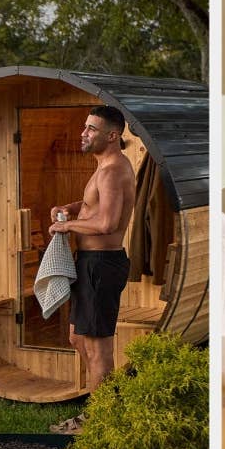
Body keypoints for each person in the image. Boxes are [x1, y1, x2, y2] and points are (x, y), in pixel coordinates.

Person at [48, 106, 137, 391]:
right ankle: (102, 398)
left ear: (112, 135)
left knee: (98, 349)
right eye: (85, 127)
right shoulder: (104, 167)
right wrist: (70, 209)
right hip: (90, 262)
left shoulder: (112, 171)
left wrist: (67, 226)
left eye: (91, 129)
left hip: (101, 265)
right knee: (77, 337)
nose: (83, 133)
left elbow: (107, 223)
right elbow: (93, 205)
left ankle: (100, 416)